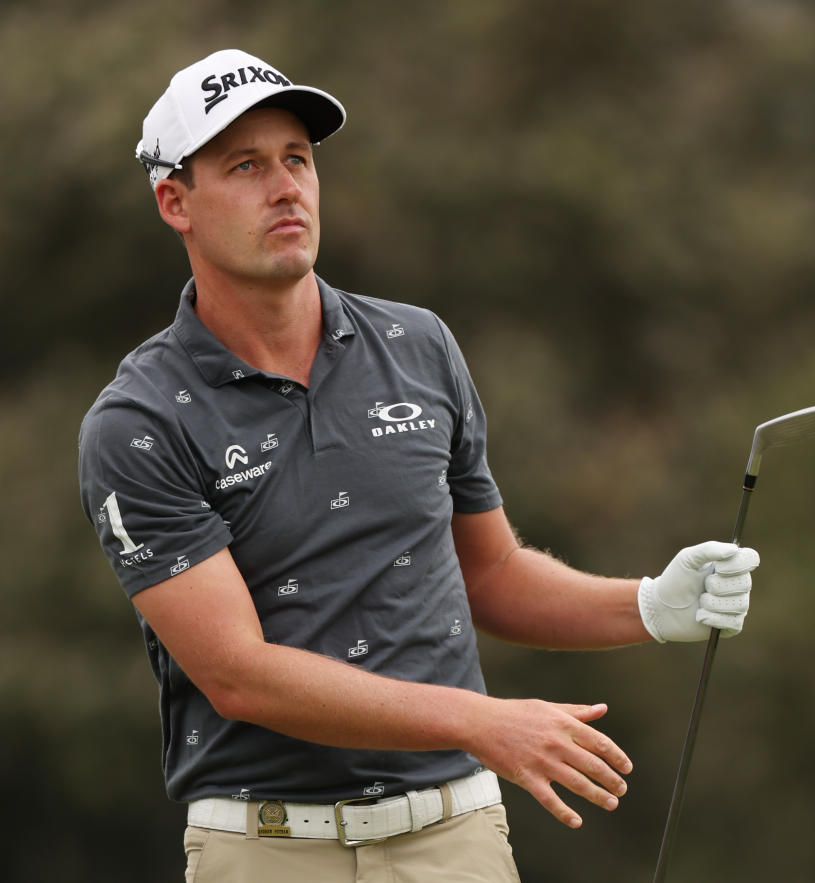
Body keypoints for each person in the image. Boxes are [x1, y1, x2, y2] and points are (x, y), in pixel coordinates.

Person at [77, 49, 760, 882]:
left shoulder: (417, 346)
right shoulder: (139, 420)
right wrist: (479, 719)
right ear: (174, 201)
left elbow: (492, 572)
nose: (285, 186)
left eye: (297, 158)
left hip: (454, 837)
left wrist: (647, 603)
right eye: (245, 166)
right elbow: (238, 674)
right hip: (264, 847)